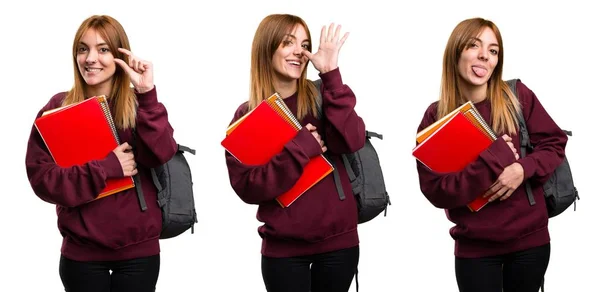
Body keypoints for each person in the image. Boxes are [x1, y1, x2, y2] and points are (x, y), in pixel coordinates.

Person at [25, 15, 177, 292]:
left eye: (103, 49)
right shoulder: (58, 107)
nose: (90, 58)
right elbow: (42, 179)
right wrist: (106, 167)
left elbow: (162, 153)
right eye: (83, 49)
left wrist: (146, 92)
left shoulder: (142, 103)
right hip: (81, 255)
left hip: (138, 254)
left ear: (120, 54)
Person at [415, 17, 568, 292]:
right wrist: (492, 161)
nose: (485, 55)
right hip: (475, 250)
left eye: (493, 50)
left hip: (530, 243)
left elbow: (554, 144)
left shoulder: (517, 96)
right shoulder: (435, 117)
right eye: (474, 46)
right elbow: (437, 191)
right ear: (456, 52)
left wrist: (522, 169)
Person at [225, 14, 365, 292]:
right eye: (288, 43)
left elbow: (353, 140)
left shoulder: (326, 94)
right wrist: (299, 151)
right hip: (283, 252)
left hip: (339, 244)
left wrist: (332, 75)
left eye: (304, 43)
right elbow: (247, 188)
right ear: (267, 49)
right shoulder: (247, 115)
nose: (299, 52)